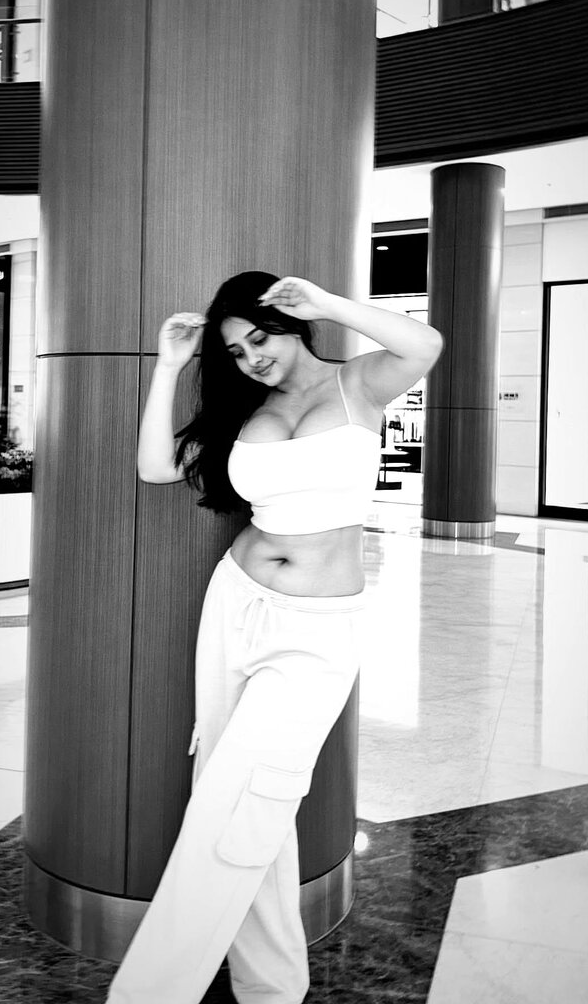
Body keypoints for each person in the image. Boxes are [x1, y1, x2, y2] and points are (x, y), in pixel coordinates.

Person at [107, 272, 443, 1004]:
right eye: (235, 350)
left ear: (292, 325)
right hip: (236, 602)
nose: (251, 357)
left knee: (241, 802)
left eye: (259, 338)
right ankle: (273, 987)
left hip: (317, 627)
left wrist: (325, 303)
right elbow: (154, 468)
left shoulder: (360, 383)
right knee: (233, 795)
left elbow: (426, 343)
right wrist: (169, 366)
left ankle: (150, 993)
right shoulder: (246, 411)